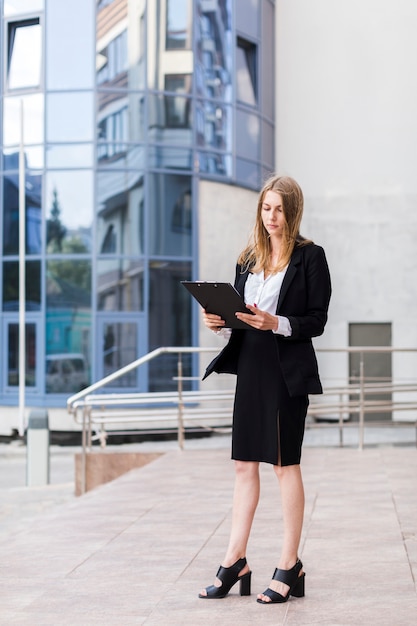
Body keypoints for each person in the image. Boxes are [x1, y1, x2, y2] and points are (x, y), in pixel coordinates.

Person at [198, 174, 331, 604]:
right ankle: (236, 559)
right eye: (265, 207)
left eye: (278, 208)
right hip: (252, 368)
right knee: (243, 465)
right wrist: (218, 323)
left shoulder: (311, 257)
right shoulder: (248, 258)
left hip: (285, 369)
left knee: (283, 465)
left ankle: (290, 563)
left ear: (292, 212)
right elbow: (239, 316)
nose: (270, 216)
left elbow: (317, 319)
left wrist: (278, 322)